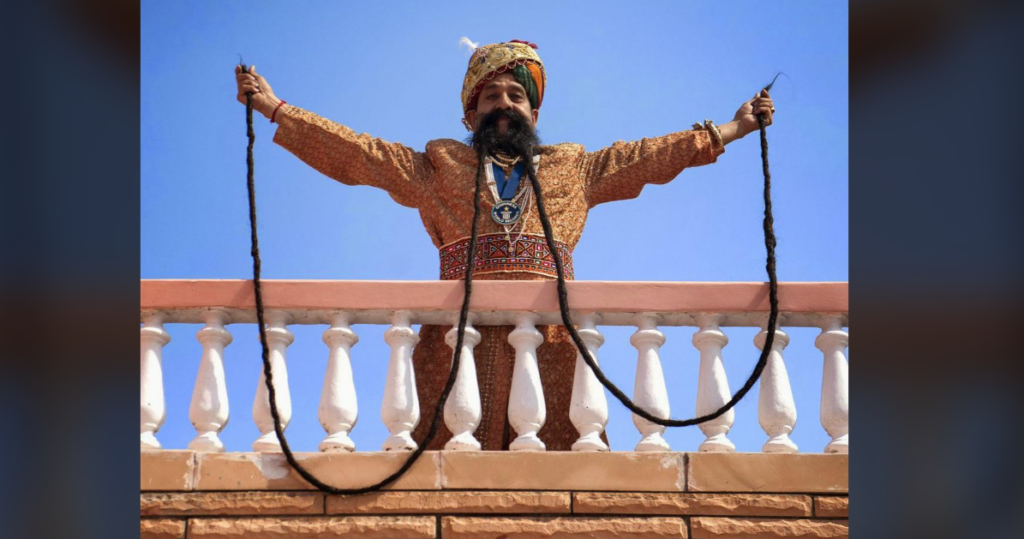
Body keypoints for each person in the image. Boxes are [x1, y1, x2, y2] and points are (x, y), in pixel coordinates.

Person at [234, 40, 774, 451]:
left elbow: (649, 157)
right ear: (469, 115)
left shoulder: (573, 167)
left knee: (569, 469)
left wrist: (733, 128)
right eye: (491, 96)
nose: (504, 104)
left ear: (534, 114)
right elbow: (361, 155)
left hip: (553, 341)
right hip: (455, 340)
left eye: (517, 95)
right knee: (435, 465)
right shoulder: (438, 167)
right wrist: (279, 110)